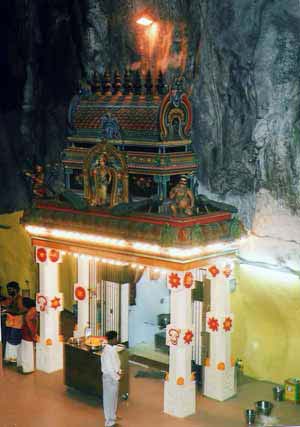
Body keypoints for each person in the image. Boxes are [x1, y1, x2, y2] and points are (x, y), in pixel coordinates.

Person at [101, 330, 122, 427]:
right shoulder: (106, 352)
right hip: (109, 378)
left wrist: (119, 371)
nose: (117, 340)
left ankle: (113, 416)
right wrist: (117, 377)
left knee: (114, 399)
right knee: (109, 400)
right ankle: (109, 423)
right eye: (116, 338)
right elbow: (109, 369)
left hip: (114, 377)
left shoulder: (112, 349)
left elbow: (116, 363)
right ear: (112, 339)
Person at [1, 282, 24, 363]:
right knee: (9, 340)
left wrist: (8, 310)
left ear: (16, 289)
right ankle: (10, 359)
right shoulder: (11, 298)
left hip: (17, 324)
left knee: (14, 341)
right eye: (8, 289)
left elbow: (21, 311)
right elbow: (5, 304)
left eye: (10, 289)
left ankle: (14, 359)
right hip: (10, 323)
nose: (9, 291)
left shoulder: (19, 299)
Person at [17, 298, 37, 374]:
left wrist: (33, 335)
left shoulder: (29, 313)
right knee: (25, 350)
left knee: (26, 351)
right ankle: (25, 367)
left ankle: (27, 369)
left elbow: (30, 325)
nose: (20, 305)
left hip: (27, 334)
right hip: (26, 334)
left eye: (21, 304)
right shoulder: (32, 310)